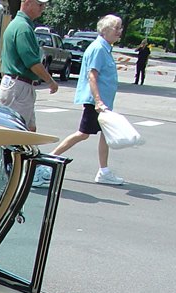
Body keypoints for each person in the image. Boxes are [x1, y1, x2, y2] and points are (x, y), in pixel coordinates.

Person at [0, 0, 57, 186]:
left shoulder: (22, 25)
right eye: (40, 5)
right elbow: (32, 62)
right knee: (11, 133)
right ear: (27, 3)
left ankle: (29, 166)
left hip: (19, 85)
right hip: (18, 85)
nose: (42, 9)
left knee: (29, 130)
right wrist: (50, 81)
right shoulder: (22, 27)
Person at [40, 15, 126, 187]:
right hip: (96, 102)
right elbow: (92, 76)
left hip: (102, 102)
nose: (120, 31)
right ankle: (48, 161)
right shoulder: (98, 49)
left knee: (105, 134)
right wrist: (98, 101)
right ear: (106, 30)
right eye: (117, 28)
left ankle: (104, 171)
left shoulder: (105, 48)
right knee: (83, 133)